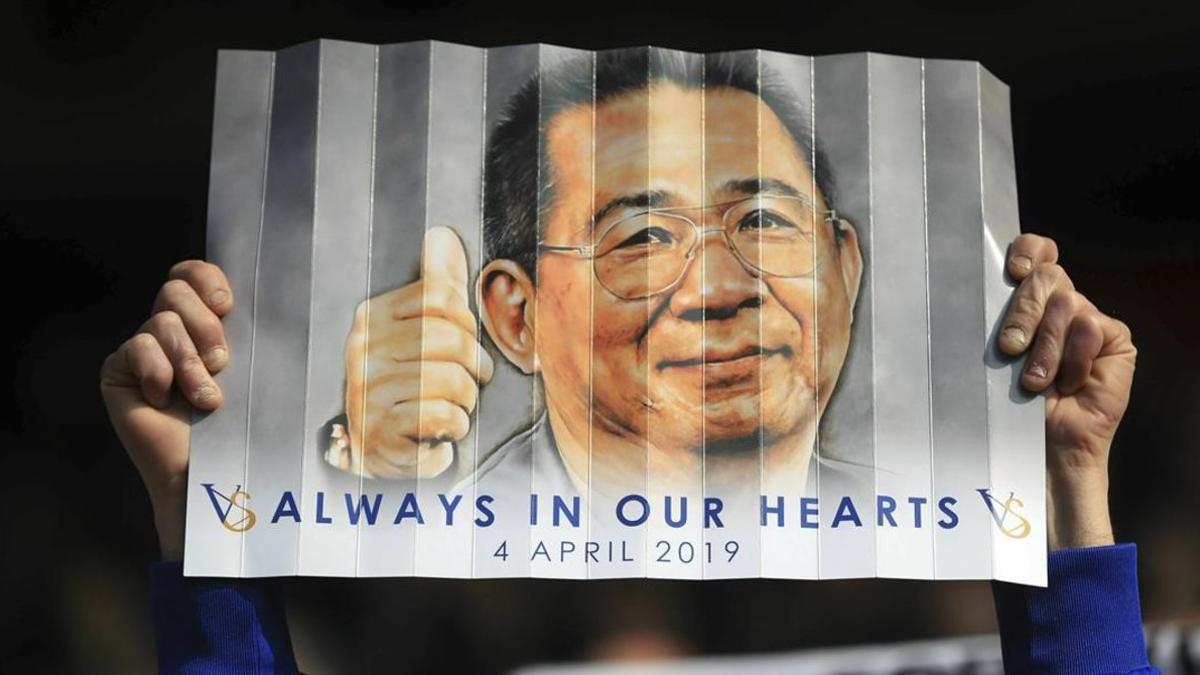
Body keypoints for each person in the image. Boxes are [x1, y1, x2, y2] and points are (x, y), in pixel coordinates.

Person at [320, 50, 862, 499]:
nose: (720, 290)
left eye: (765, 221)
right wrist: (375, 484)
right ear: (518, 317)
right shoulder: (456, 541)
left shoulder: (914, 538)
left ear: (845, 266)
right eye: (643, 239)